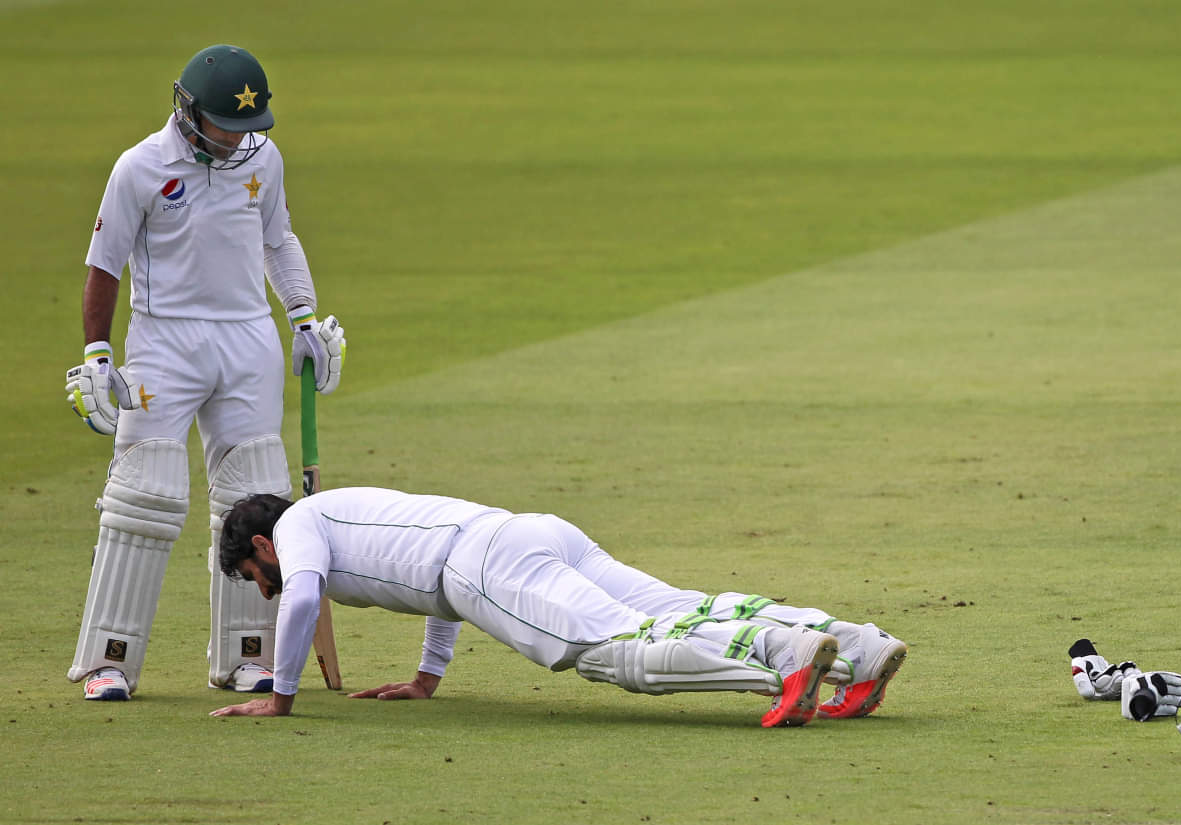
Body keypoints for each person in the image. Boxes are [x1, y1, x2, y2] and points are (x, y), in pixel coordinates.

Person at [64, 44, 347, 701]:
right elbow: (104, 264)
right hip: (165, 342)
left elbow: (278, 238)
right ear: (188, 113)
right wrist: (97, 353)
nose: (241, 138)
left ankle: (245, 656)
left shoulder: (262, 160)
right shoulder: (139, 168)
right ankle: (109, 660)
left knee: (256, 499)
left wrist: (303, 317)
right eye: (228, 124)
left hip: (249, 339)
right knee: (147, 496)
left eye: (251, 126)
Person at [207, 487, 909, 727]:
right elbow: (433, 587)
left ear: (263, 541)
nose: (263, 586)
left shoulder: (299, 531)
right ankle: (854, 647)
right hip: (529, 533)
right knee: (676, 606)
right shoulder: (340, 511)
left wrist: (280, 695)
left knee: (616, 650)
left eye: (252, 572)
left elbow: (299, 596)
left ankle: (784, 658)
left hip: (484, 561)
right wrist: (427, 674)